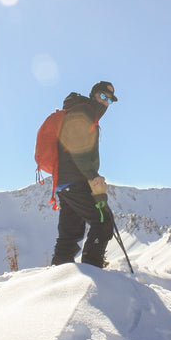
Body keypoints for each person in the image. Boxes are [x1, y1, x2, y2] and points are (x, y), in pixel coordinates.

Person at [51, 81, 118, 267]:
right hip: (76, 180)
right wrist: (91, 176)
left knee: (70, 233)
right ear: (93, 95)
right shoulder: (85, 111)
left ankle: (58, 272)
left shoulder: (81, 111)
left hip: (65, 182)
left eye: (109, 100)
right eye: (103, 96)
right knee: (103, 221)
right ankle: (93, 269)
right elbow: (76, 147)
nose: (105, 102)